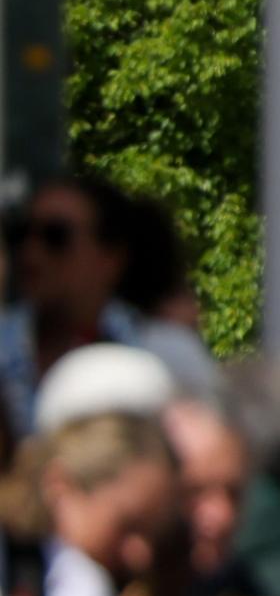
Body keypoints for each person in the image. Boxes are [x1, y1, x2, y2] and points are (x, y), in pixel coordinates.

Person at [0, 174, 213, 430]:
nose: (31, 253)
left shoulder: (164, 357)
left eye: (56, 237)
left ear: (111, 257)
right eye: (20, 234)